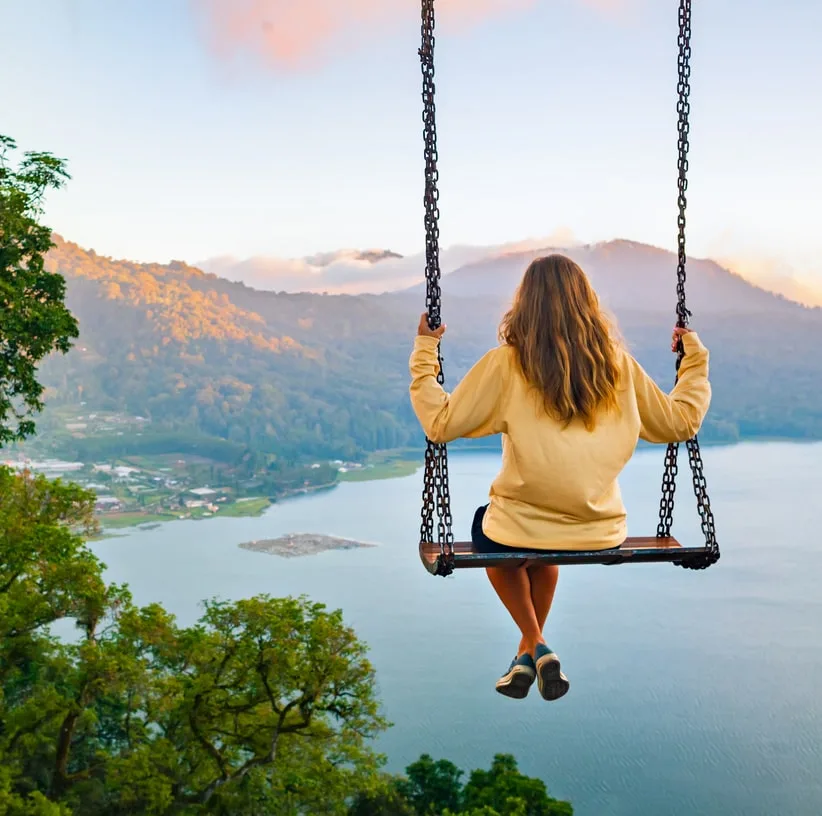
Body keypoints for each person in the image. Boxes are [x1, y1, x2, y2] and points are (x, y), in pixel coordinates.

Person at [408, 254, 711, 702]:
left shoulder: (508, 365)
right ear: (588, 304)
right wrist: (694, 360)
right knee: (540, 545)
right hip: (600, 531)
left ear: (524, 306)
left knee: (495, 533)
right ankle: (528, 652)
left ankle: (535, 644)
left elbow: (440, 422)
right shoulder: (618, 368)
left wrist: (424, 350)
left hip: (521, 528)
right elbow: (681, 422)